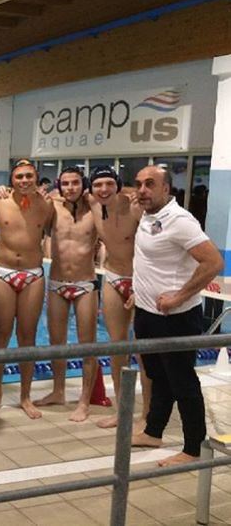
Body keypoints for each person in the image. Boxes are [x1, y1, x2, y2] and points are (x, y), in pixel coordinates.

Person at [130, 165, 223, 467]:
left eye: (150, 184)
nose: (142, 190)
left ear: (166, 188)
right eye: (138, 184)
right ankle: (153, 432)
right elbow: (151, 262)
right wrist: (138, 291)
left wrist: (179, 296)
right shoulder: (148, 215)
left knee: (183, 382)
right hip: (147, 313)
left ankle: (193, 449)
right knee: (158, 376)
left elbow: (213, 262)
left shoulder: (180, 220)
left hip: (176, 317)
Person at [0, 159, 54, 419]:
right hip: (3, 272)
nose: (24, 180)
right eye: (19, 176)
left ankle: (25, 396)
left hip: (33, 274)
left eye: (29, 176)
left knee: (27, 336)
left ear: (36, 178)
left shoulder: (47, 204)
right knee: (0, 334)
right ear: (12, 179)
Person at [33, 167, 99, 422]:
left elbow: (123, 195)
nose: (71, 188)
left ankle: (84, 401)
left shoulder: (94, 207)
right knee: (56, 342)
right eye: (66, 183)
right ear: (60, 185)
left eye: (75, 183)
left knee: (87, 345)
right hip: (57, 282)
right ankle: (58, 391)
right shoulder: (54, 207)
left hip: (85, 284)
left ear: (84, 184)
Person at [87, 165, 150, 429]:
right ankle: (122, 411)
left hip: (141, 281)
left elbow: (153, 247)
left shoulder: (135, 205)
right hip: (113, 278)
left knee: (144, 352)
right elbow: (58, 193)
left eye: (109, 184)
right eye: (98, 184)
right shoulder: (92, 202)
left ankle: (147, 415)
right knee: (117, 348)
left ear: (118, 185)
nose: (103, 189)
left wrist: (142, 287)